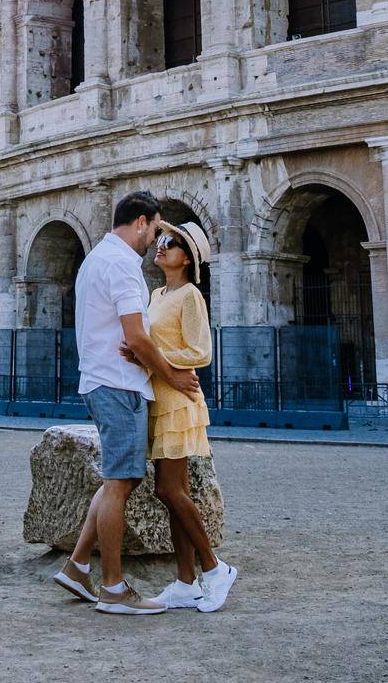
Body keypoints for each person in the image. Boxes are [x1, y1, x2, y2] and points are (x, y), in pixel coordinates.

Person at [53, 191, 204, 617]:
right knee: (121, 480)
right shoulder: (122, 265)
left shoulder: (97, 258)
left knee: (122, 479)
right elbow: (136, 336)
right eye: (155, 229)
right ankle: (113, 587)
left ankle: (79, 565)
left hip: (102, 379)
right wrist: (171, 374)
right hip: (118, 384)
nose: (154, 239)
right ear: (140, 222)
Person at [140, 220, 236, 614]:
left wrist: (151, 359)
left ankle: (215, 568)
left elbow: (201, 352)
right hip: (159, 397)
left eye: (171, 242)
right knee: (171, 493)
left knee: (169, 490)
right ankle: (184, 582)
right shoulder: (157, 292)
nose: (161, 246)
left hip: (178, 400)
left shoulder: (190, 295)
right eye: (160, 240)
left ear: (188, 258)